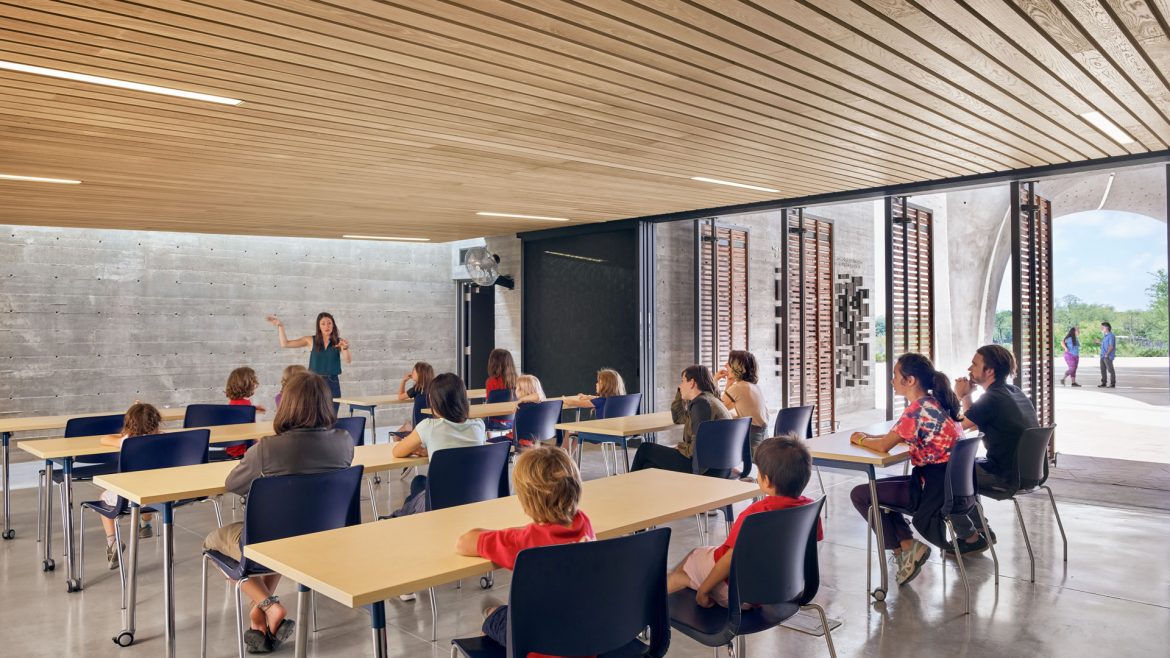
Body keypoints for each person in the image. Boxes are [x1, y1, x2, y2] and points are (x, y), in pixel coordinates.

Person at [202, 371, 354, 653]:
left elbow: (233, 484)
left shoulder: (267, 449)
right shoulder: (345, 441)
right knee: (284, 538)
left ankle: (270, 606)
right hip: (323, 539)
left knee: (213, 541)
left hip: (272, 541)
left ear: (288, 404)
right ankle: (258, 616)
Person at [455, 446, 595, 648]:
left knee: (491, 609)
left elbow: (463, 543)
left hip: (541, 646)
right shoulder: (584, 522)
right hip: (589, 639)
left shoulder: (522, 541)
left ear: (524, 501)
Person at [848, 353, 963, 587]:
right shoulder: (935, 403)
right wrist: (873, 437)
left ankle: (904, 551)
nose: (892, 380)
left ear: (910, 380)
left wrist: (860, 439)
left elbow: (883, 446)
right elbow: (898, 438)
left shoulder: (917, 409)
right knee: (875, 493)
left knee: (862, 494)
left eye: (895, 375)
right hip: (947, 487)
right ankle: (909, 547)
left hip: (931, 490)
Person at [667, 436, 823, 608]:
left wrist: (704, 590)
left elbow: (729, 559)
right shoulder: (810, 509)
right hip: (783, 588)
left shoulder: (755, 515)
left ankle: (658, 609)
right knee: (698, 558)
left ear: (767, 481)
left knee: (691, 559)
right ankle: (685, 580)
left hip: (739, 592)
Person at [951, 344, 1039, 554]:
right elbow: (973, 418)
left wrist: (962, 395)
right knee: (963, 469)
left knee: (944, 475)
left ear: (989, 370)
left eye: (974, 364)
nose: (969, 369)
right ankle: (981, 529)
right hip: (1029, 474)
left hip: (1004, 476)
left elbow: (957, 428)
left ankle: (970, 537)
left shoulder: (992, 398)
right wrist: (967, 398)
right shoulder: (1013, 391)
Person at [388, 373, 487, 518]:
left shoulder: (429, 426)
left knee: (417, 486)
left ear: (434, 402)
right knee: (419, 482)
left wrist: (429, 450)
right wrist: (431, 450)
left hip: (440, 501)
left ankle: (402, 519)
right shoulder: (479, 425)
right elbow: (464, 453)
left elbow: (397, 452)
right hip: (475, 497)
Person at [630, 365, 730, 474]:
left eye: (682, 381)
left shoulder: (701, 405)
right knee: (648, 466)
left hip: (703, 467)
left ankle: (626, 488)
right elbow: (678, 418)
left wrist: (681, 447)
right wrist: (680, 392)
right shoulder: (708, 400)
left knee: (645, 449)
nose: (679, 386)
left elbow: (695, 449)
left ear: (691, 383)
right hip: (719, 465)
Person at [97, 403, 163, 569]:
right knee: (147, 495)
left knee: (104, 498)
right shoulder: (163, 440)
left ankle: (112, 542)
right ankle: (146, 524)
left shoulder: (126, 441)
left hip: (129, 496)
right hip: (159, 495)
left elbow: (103, 439)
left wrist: (124, 432)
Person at [265, 313, 351, 405]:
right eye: (323, 323)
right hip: (314, 382)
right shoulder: (310, 340)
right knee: (313, 414)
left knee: (332, 414)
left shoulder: (339, 341)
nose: (327, 326)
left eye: (329, 323)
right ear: (319, 326)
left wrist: (345, 348)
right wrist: (280, 326)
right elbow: (285, 344)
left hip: (332, 382)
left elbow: (348, 360)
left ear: (333, 325)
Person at [717, 350, 769, 480]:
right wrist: (729, 383)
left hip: (750, 443)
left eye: (729, 363)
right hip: (762, 439)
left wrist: (714, 380)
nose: (725, 365)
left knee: (714, 453)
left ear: (737, 367)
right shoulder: (752, 386)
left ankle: (728, 477)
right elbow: (726, 407)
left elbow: (717, 408)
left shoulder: (738, 387)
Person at [224, 366, 267, 458]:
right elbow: (251, 432)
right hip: (243, 451)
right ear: (248, 385)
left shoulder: (234, 402)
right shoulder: (246, 406)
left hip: (231, 448)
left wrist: (253, 408)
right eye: (254, 382)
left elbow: (239, 414)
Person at [485, 348, 518, 428]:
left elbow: (489, 404)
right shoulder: (518, 380)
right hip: (514, 421)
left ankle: (489, 439)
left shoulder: (490, 381)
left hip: (494, 422)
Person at [1098, 321, 1116, 388]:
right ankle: (1103, 383)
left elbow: (1111, 346)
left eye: (1102, 327)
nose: (1101, 328)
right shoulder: (1105, 336)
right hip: (1102, 355)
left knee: (1110, 370)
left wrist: (1107, 354)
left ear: (1106, 327)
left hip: (1107, 356)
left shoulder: (1111, 336)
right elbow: (1105, 345)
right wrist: (1099, 342)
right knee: (1103, 370)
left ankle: (1112, 383)